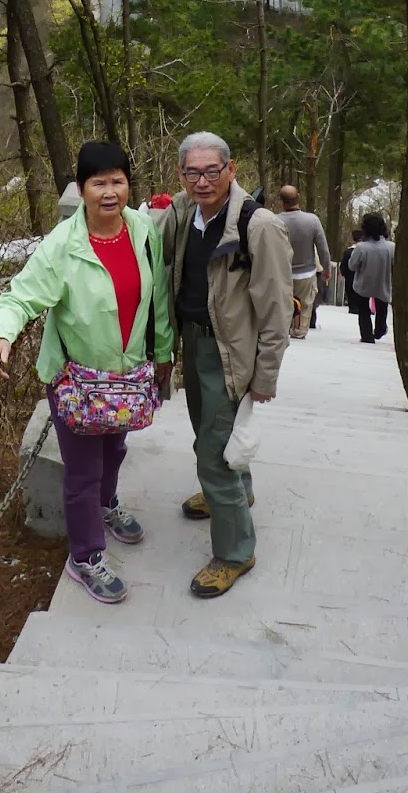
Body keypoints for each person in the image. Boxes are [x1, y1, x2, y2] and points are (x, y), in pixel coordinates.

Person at [0, 141, 173, 606]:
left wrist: (164, 353)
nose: (109, 192)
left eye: (118, 182)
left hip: (125, 376)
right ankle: (85, 556)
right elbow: (19, 297)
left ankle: (107, 506)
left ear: (128, 185)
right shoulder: (62, 247)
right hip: (77, 381)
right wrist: (1, 336)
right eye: (98, 183)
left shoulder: (143, 230)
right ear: (81, 188)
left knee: (115, 448)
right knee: (84, 470)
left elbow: (158, 299)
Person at [160, 132, 293, 599]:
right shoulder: (182, 212)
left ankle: (236, 552)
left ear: (231, 170)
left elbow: (277, 309)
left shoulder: (259, 226)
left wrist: (265, 374)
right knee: (209, 432)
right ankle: (240, 489)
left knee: (213, 455)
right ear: (181, 174)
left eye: (212, 171)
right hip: (193, 342)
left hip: (230, 352)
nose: (202, 181)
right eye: (192, 172)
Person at [277, 186, 331, 340]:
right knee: (306, 304)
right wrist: (326, 269)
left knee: (283, 303)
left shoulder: (275, 221)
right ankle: (299, 331)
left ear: (282, 202)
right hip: (306, 272)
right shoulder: (312, 220)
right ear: (298, 197)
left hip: (282, 272)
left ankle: (284, 328)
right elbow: (323, 248)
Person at [349, 212, 394, 343]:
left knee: (363, 309)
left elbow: (352, 266)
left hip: (363, 283)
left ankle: (367, 335)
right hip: (383, 282)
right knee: (382, 307)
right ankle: (380, 329)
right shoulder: (391, 247)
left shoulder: (361, 247)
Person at [339, 226, 363, 315]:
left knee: (351, 295)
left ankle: (352, 308)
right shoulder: (365, 251)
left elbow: (343, 266)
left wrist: (343, 273)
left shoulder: (348, 252)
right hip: (362, 279)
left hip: (350, 278)